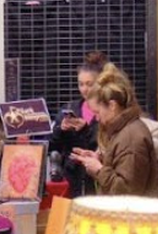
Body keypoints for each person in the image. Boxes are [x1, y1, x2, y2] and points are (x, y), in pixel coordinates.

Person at [70, 63, 158, 197]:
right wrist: (100, 159)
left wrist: (99, 170)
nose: (97, 118)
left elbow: (128, 191)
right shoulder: (124, 130)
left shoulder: (131, 138)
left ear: (112, 106)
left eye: (98, 112)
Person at [47, 50, 111, 198]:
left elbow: (106, 145)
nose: (84, 89)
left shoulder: (107, 111)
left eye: (89, 84)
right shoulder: (69, 109)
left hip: (96, 177)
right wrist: (60, 129)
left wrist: (85, 130)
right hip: (70, 176)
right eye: (81, 84)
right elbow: (52, 146)